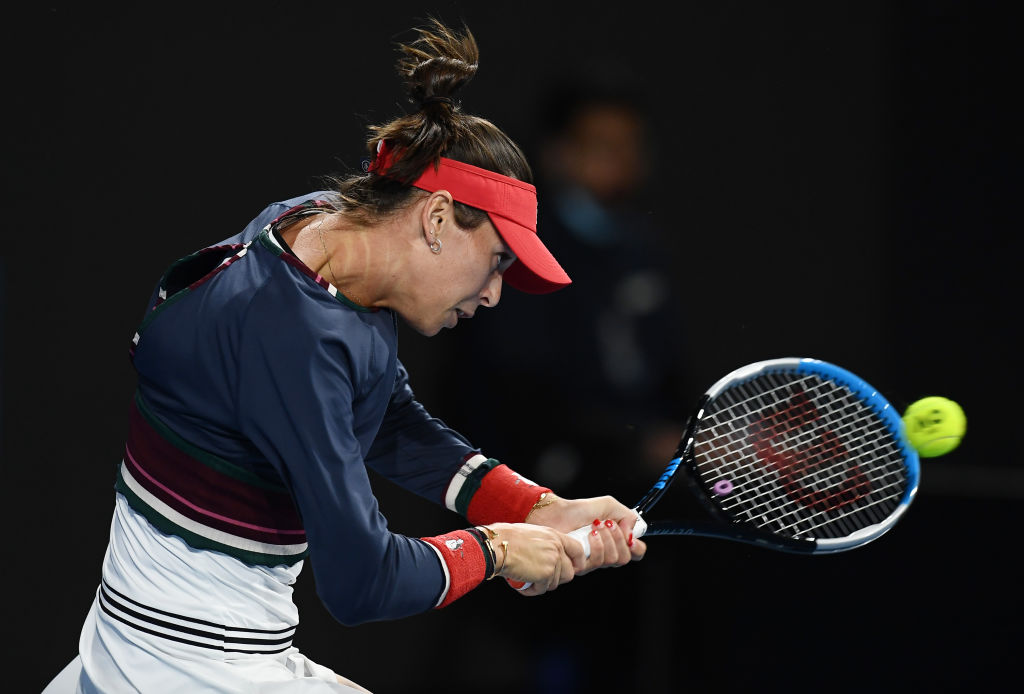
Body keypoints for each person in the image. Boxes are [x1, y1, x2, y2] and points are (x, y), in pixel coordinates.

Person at [45, 20, 646, 694]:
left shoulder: (320, 229)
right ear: (438, 220)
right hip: (184, 674)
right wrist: (500, 549)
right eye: (497, 260)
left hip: (157, 654)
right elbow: (363, 582)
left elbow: (383, 417)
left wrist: (535, 507)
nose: (495, 294)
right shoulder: (288, 332)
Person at [444, 76, 689, 500]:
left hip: (642, 486)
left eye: (631, 144)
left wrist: (694, 437)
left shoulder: (643, 247)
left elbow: (670, 371)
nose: (621, 160)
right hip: (534, 483)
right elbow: (516, 393)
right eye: (602, 146)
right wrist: (635, 442)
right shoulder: (515, 244)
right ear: (559, 152)